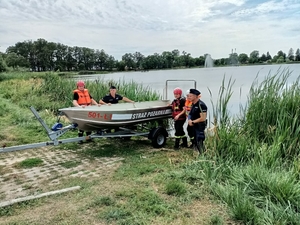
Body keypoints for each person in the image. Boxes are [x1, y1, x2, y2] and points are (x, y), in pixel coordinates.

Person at [187, 89, 207, 153]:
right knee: (195, 139)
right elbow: (190, 113)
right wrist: (189, 120)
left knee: (199, 140)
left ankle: (203, 155)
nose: (188, 97)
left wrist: (193, 122)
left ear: (195, 96)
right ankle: (197, 152)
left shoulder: (201, 105)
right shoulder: (193, 104)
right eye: (188, 96)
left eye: (190, 96)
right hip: (193, 124)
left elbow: (203, 118)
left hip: (199, 125)